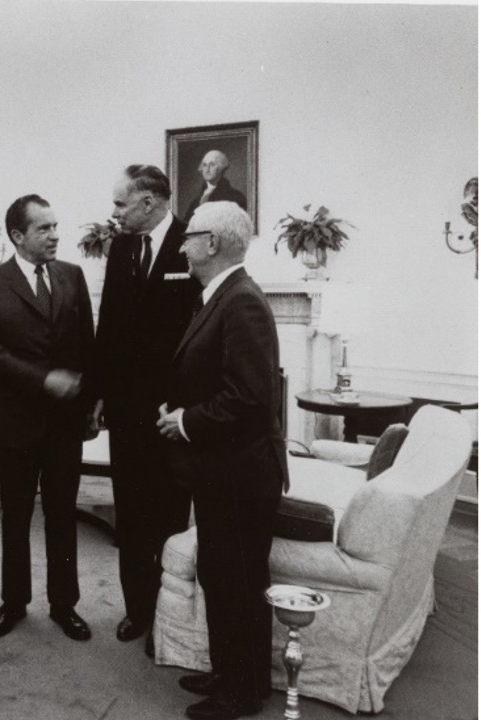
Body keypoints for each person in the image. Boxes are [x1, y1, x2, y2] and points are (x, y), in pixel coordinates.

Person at [157, 201, 288, 720]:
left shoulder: (241, 301)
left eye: (189, 237)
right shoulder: (221, 296)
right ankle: (237, 676)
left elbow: (252, 399)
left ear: (212, 243)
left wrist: (185, 421)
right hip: (226, 470)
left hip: (240, 474)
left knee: (235, 580)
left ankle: (239, 695)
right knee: (225, 575)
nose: (182, 245)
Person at [0, 194, 97, 642]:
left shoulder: (72, 275)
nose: (55, 235)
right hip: (16, 424)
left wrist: (91, 401)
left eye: (56, 226)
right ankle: (13, 603)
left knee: (63, 516)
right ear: (18, 236)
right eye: (44, 229)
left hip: (65, 425)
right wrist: (46, 381)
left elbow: (86, 344)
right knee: (16, 517)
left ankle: (65, 606)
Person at [90, 165, 200, 655]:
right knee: (131, 514)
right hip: (127, 412)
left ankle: (171, 613)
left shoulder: (192, 243)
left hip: (173, 416)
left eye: (120, 204)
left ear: (149, 203)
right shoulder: (120, 248)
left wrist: (184, 406)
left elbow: (200, 335)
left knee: (172, 515)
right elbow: (108, 328)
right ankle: (137, 610)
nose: (114, 213)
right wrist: (98, 396)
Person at [183, 150, 247, 222]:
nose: (207, 169)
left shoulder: (235, 196)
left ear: (220, 168)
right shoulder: (196, 201)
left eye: (212, 164)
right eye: (204, 165)